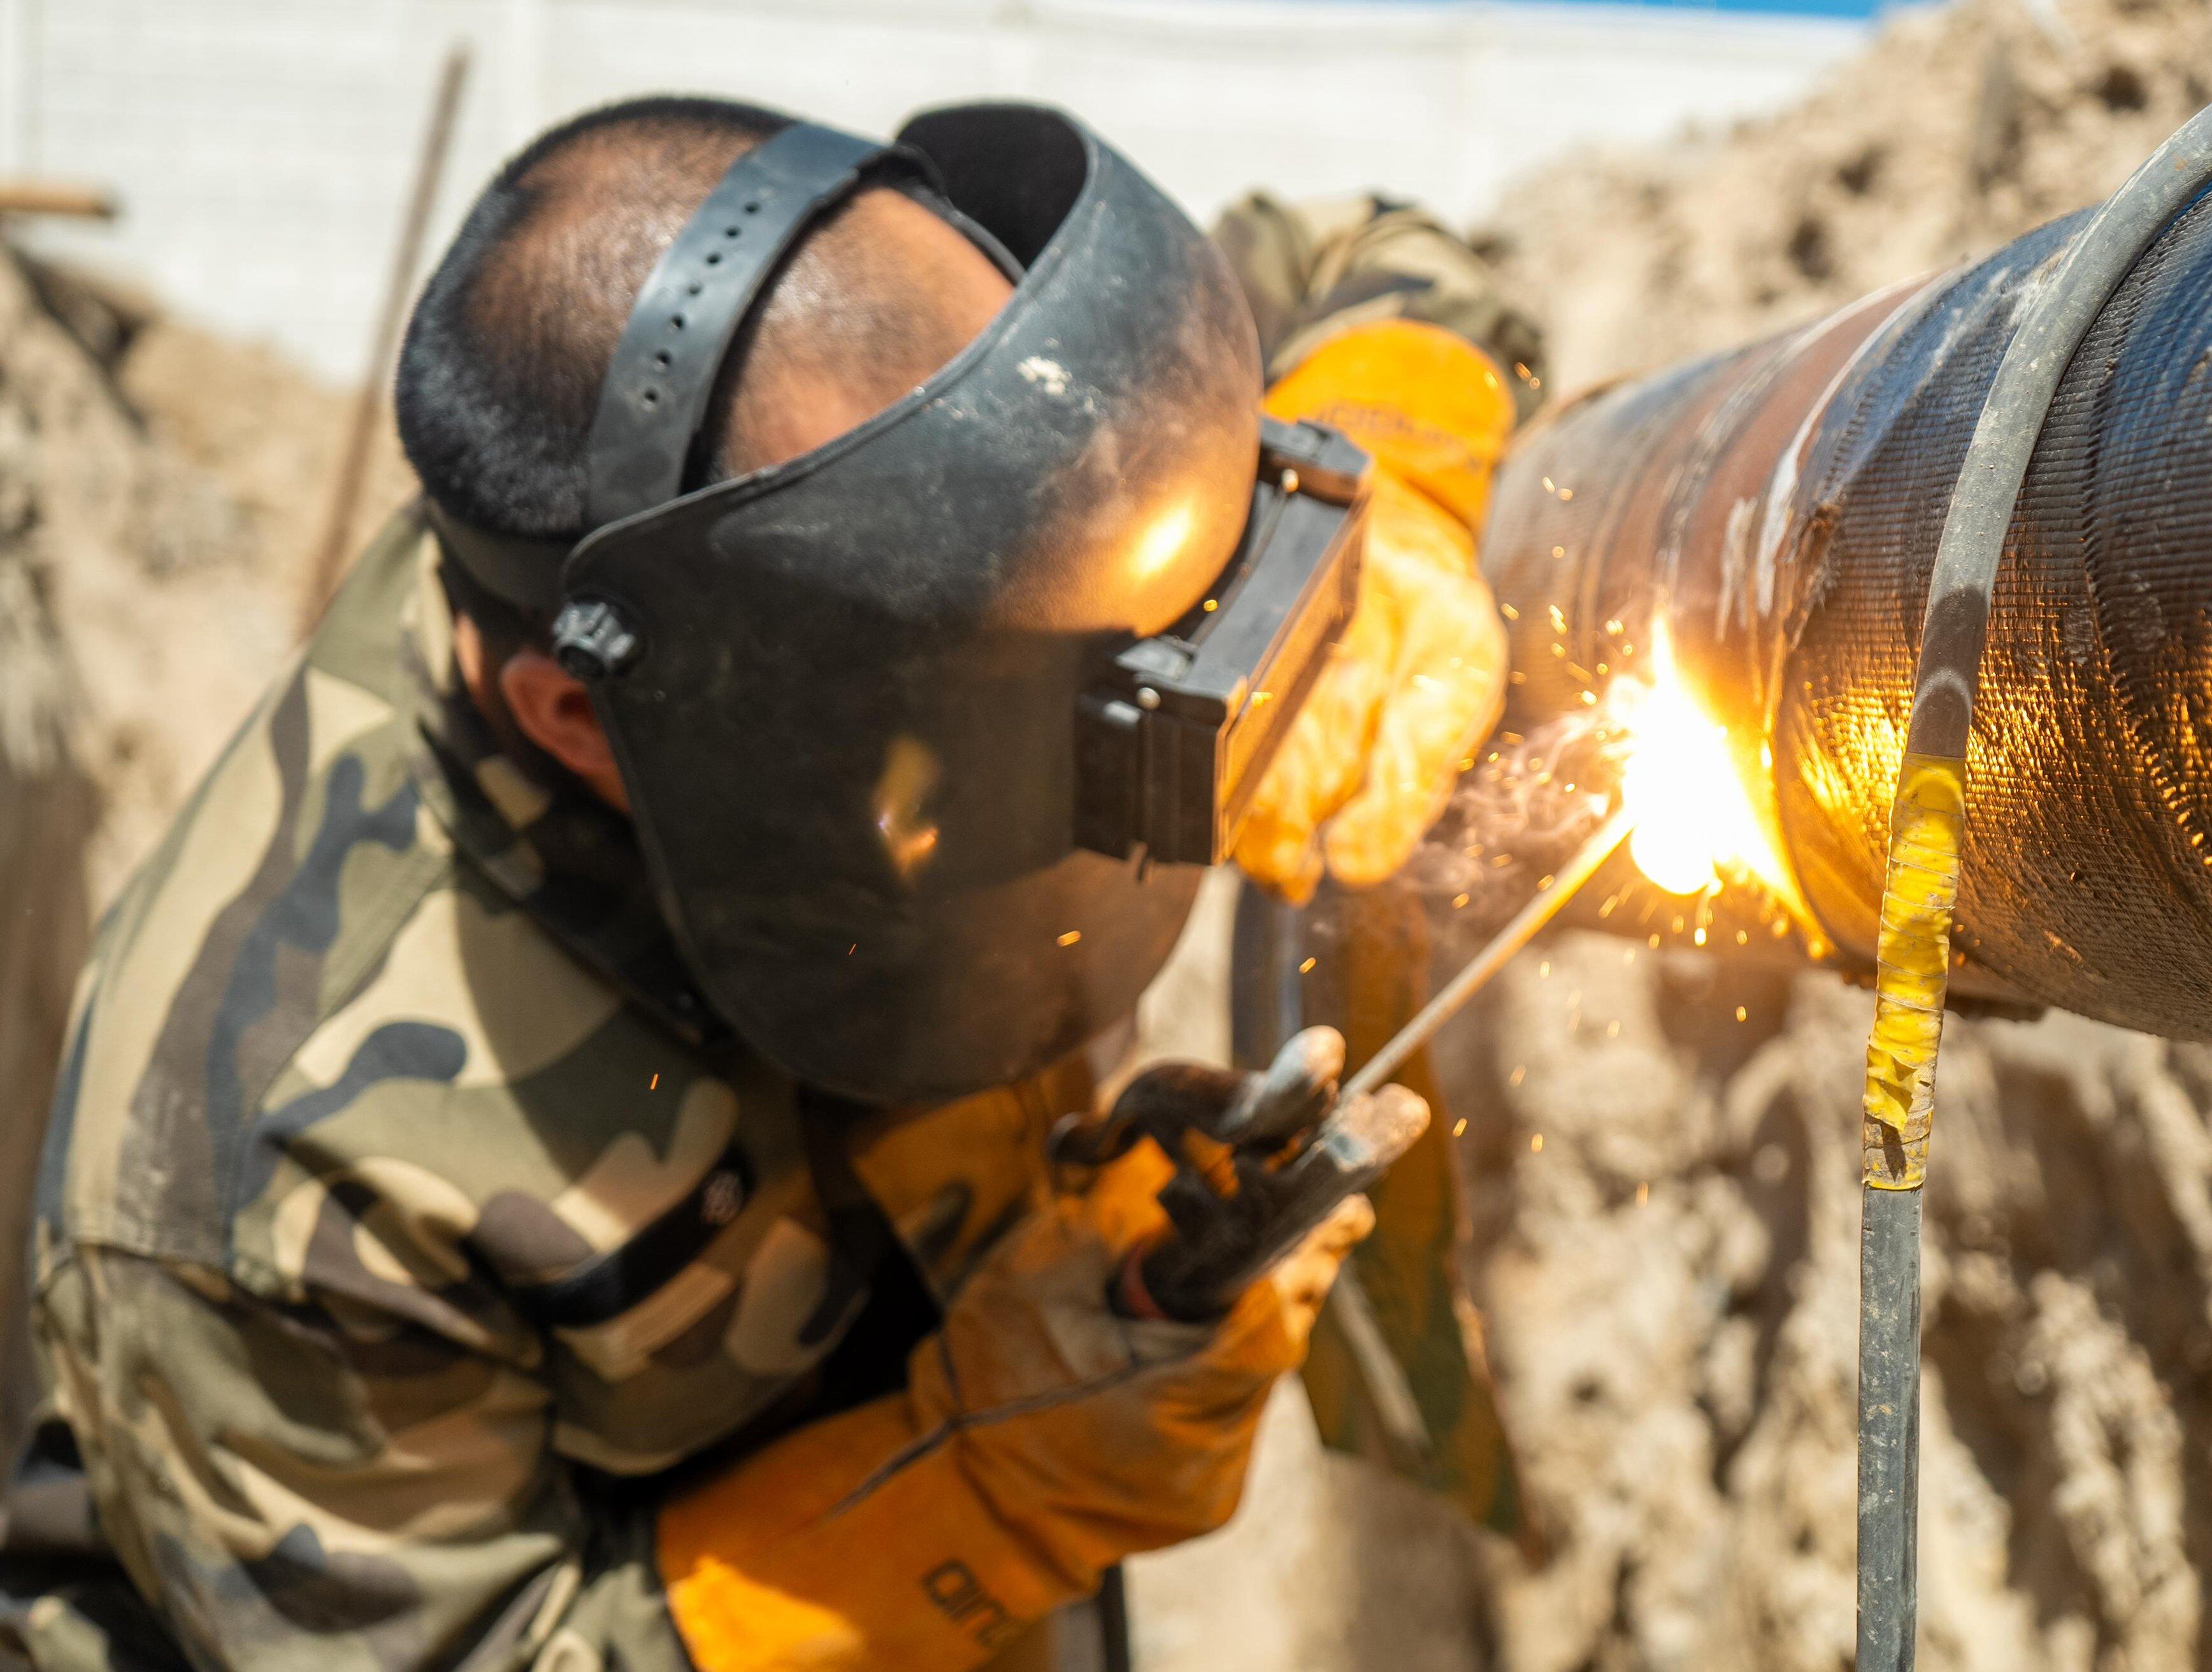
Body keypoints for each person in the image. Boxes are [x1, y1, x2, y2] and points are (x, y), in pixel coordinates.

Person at [4, 94, 1542, 1672]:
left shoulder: (824, 503)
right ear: (584, 720)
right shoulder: (265, 1168)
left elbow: (1347, 248)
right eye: (1000, 673)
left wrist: (1384, 497)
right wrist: (984, 1488)